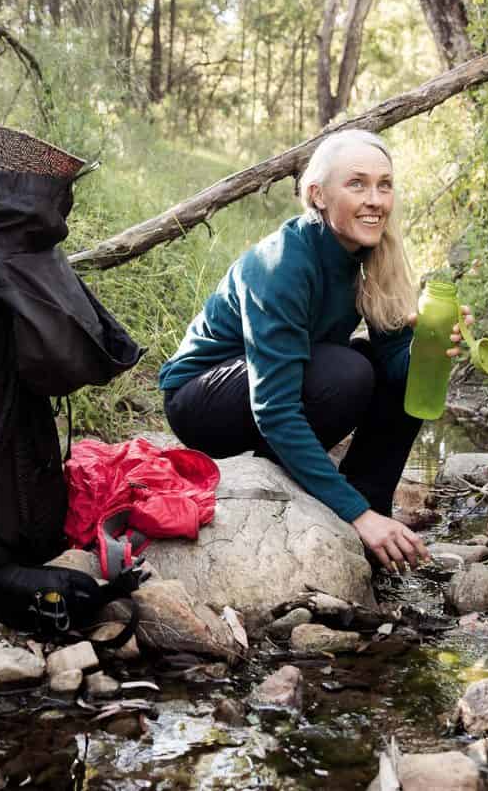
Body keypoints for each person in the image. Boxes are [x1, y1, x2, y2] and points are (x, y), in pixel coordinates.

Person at [158, 129, 469, 572]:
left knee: (388, 373)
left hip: (277, 383)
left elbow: (398, 370)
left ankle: (372, 522)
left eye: (385, 185)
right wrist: (353, 513)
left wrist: (433, 349)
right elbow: (275, 408)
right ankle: (355, 510)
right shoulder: (281, 263)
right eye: (357, 184)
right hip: (200, 399)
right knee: (350, 370)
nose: (375, 199)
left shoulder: (374, 256)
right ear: (317, 195)